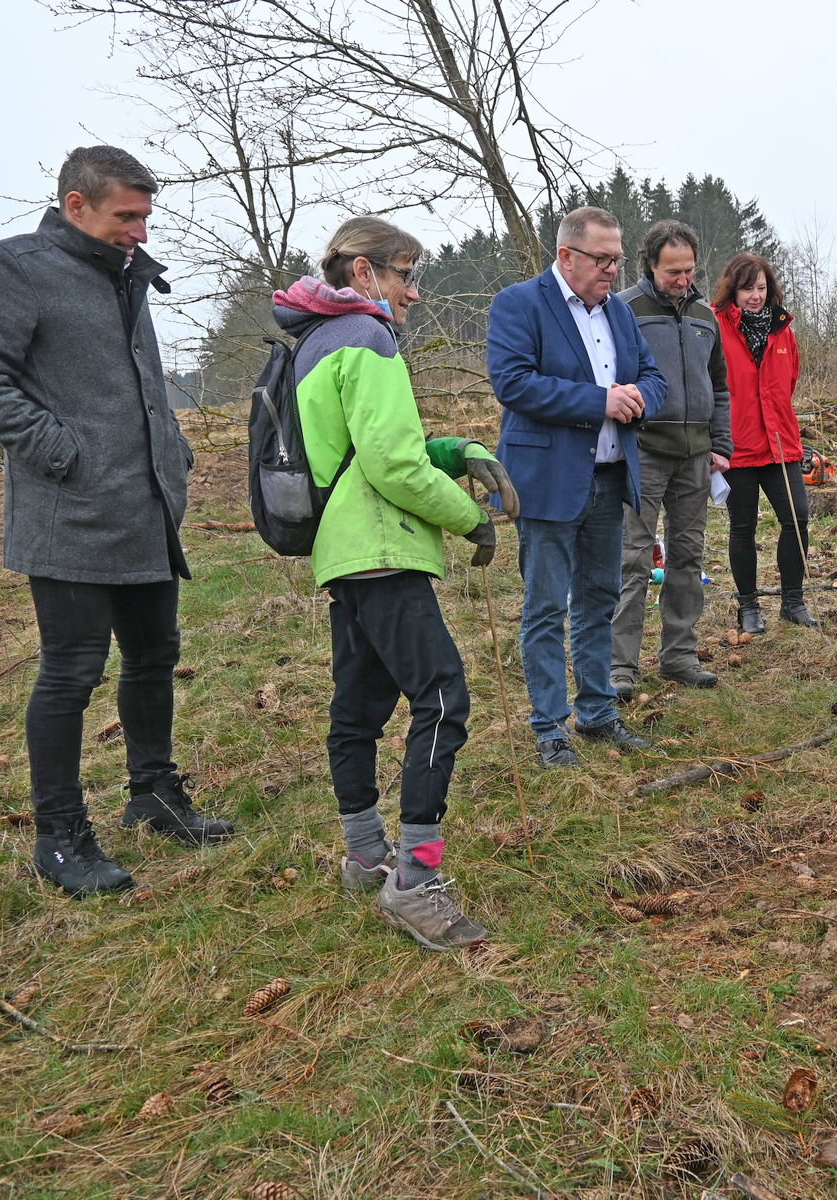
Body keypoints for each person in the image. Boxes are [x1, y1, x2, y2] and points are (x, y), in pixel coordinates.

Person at [0, 145, 234, 899]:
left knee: (154, 654)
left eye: (144, 215)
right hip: (69, 511)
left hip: (146, 508)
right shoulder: (9, 267)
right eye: (125, 215)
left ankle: (155, 795)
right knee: (72, 671)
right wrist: (62, 452)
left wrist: (172, 448)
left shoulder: (124, 274)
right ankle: (60, 837)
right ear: (76, 204)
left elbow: (132, 389)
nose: (139, 230)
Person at [275, 216, 513, 950]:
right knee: (443, 697)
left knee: (360, 705)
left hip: (343, 554)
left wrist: (458, 449)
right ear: (364, 274)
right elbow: (391, 468)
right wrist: (468, 518)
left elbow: (368, 447)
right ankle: (416, 879)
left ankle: (363, 853)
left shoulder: (316, 338)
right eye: (406, 274)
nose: (414, 291)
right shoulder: (369, 337)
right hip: (382, 549)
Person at [488, 207, 667, 768]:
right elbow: (513, 383)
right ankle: (550, 728)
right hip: (546, 482)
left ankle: (597, 713)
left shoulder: (619, 312)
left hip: (610, 480)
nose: (614, 269)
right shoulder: (520, 303)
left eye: (618, 258)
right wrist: (600, 401)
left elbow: (654, 378)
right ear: (567, 256)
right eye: (603, 258)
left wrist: (638, 399)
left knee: (600, 600)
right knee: (545, 607)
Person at [611, 220, 732, 700]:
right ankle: (620, 666)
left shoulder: (706, 316)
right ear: (649, 266)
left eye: (689, 271)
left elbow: (719, 386)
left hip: (697, 457)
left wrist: (720, 443)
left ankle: (679, 655)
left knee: (688, 557)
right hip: (642, 454)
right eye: (672, 272)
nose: (682, 280)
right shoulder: (623, 310)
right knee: (633, 560)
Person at [716, 252, 817, 631]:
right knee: (742, 527)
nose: (755, 296)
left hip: (780, 444)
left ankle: (793, 601)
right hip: (737, 445)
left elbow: (788, 380)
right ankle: (748, 606)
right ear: (732, 290)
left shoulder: (782, 330)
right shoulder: (715, 327)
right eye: (747, 289)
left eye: (760, 288)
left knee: (797, 519)